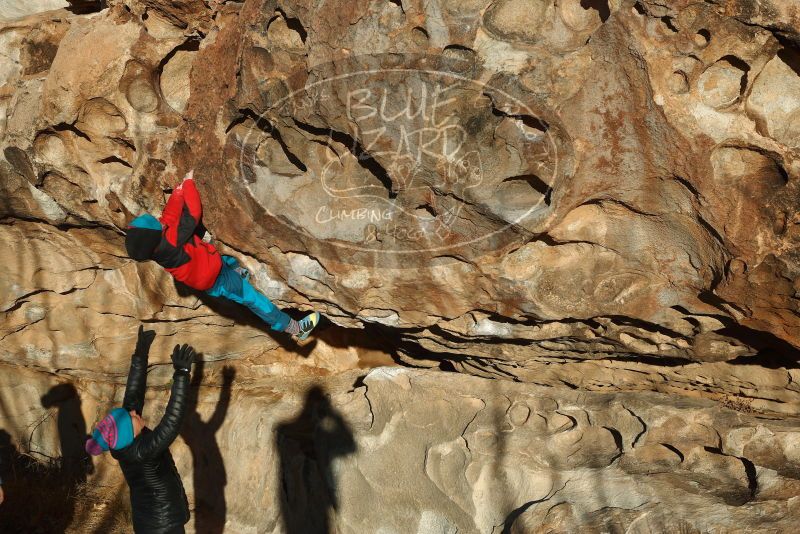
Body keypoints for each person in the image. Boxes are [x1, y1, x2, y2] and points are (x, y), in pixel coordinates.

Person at [124, 170, 320, 341]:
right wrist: (189, 184)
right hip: (216, 280)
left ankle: (239, 272)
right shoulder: (171, 241)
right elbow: (192, 214)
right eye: (155, 223)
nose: (159, 221)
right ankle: (294, 328)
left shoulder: (157, 246)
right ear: (156, 234)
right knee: (253, 299)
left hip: (209, 269)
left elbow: (168, 218)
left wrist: (178, 191)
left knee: (226, 259)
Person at [85, 326, 195, 534]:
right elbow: (172, 421)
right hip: (163, 526)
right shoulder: (143, 451)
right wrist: (181, 374)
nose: (136, 413)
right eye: (132, 417)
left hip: (147, 521)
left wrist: (141, 353)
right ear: (130, 432)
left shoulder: (121, 443)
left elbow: (133, 397)